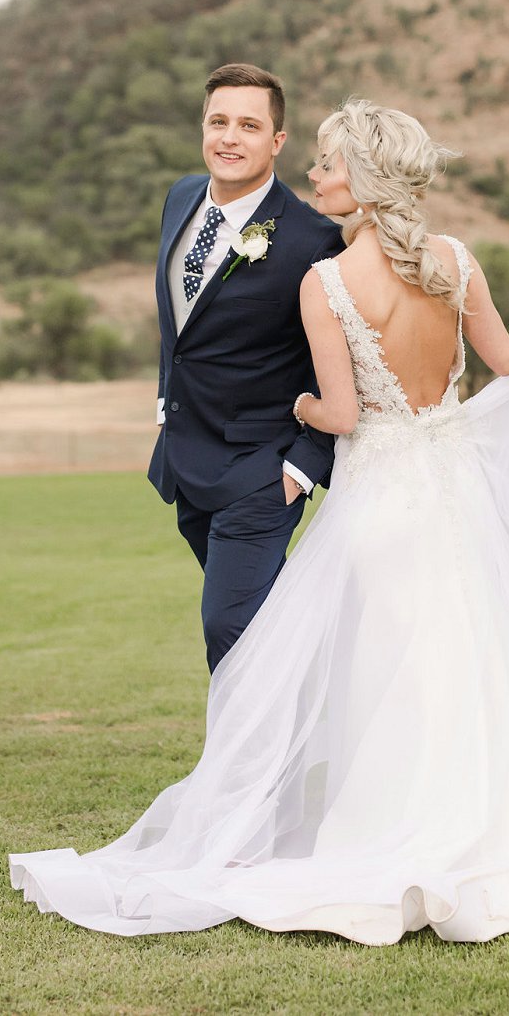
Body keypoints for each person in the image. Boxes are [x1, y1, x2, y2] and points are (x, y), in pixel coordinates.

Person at [11, 100, 509, 944]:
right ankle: (499, 818)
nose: (315, 175)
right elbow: (506, 359)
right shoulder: (454, 259)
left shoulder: (328, 282)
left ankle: (385, 824)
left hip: (384, 498)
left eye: (326, 162)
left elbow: (345, 414)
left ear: (362, 177)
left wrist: (300, 407)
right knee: (474, 652)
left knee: (385, 664)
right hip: (457, 490)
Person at [147, 63, 344, 671]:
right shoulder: (180, 198)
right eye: (219, 122)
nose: (229, 138)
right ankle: (311, 720)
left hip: (262, 470)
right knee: (267, 632)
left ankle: (252, 745)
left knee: (231, 627)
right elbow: (181, 332)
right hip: (186, 461)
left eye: (249, 125)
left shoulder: (314, 239)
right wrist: (165, 408)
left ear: (277, 141)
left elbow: (337, 368)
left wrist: (301, 468)